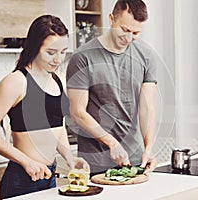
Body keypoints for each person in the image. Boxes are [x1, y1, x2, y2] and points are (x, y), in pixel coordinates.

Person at [0, 15, 89, 199]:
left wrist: (69, 156)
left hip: (49, 177)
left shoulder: (57, 80)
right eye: (51, 52)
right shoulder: (17, 81)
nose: (58, 59)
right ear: (35, 47)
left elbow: (56, 129)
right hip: (22, 180)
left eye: (63, 52)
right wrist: (26, 161)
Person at [66, 0, 158, 175]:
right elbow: (77, 113)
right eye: (124, 30)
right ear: (111, 19)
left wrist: (148, 148)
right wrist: (112, 143)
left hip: (134, 160)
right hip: (96, 162)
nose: (129, 38)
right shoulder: (82, 57)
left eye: (136, 33)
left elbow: (147, 108)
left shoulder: (147, 57)